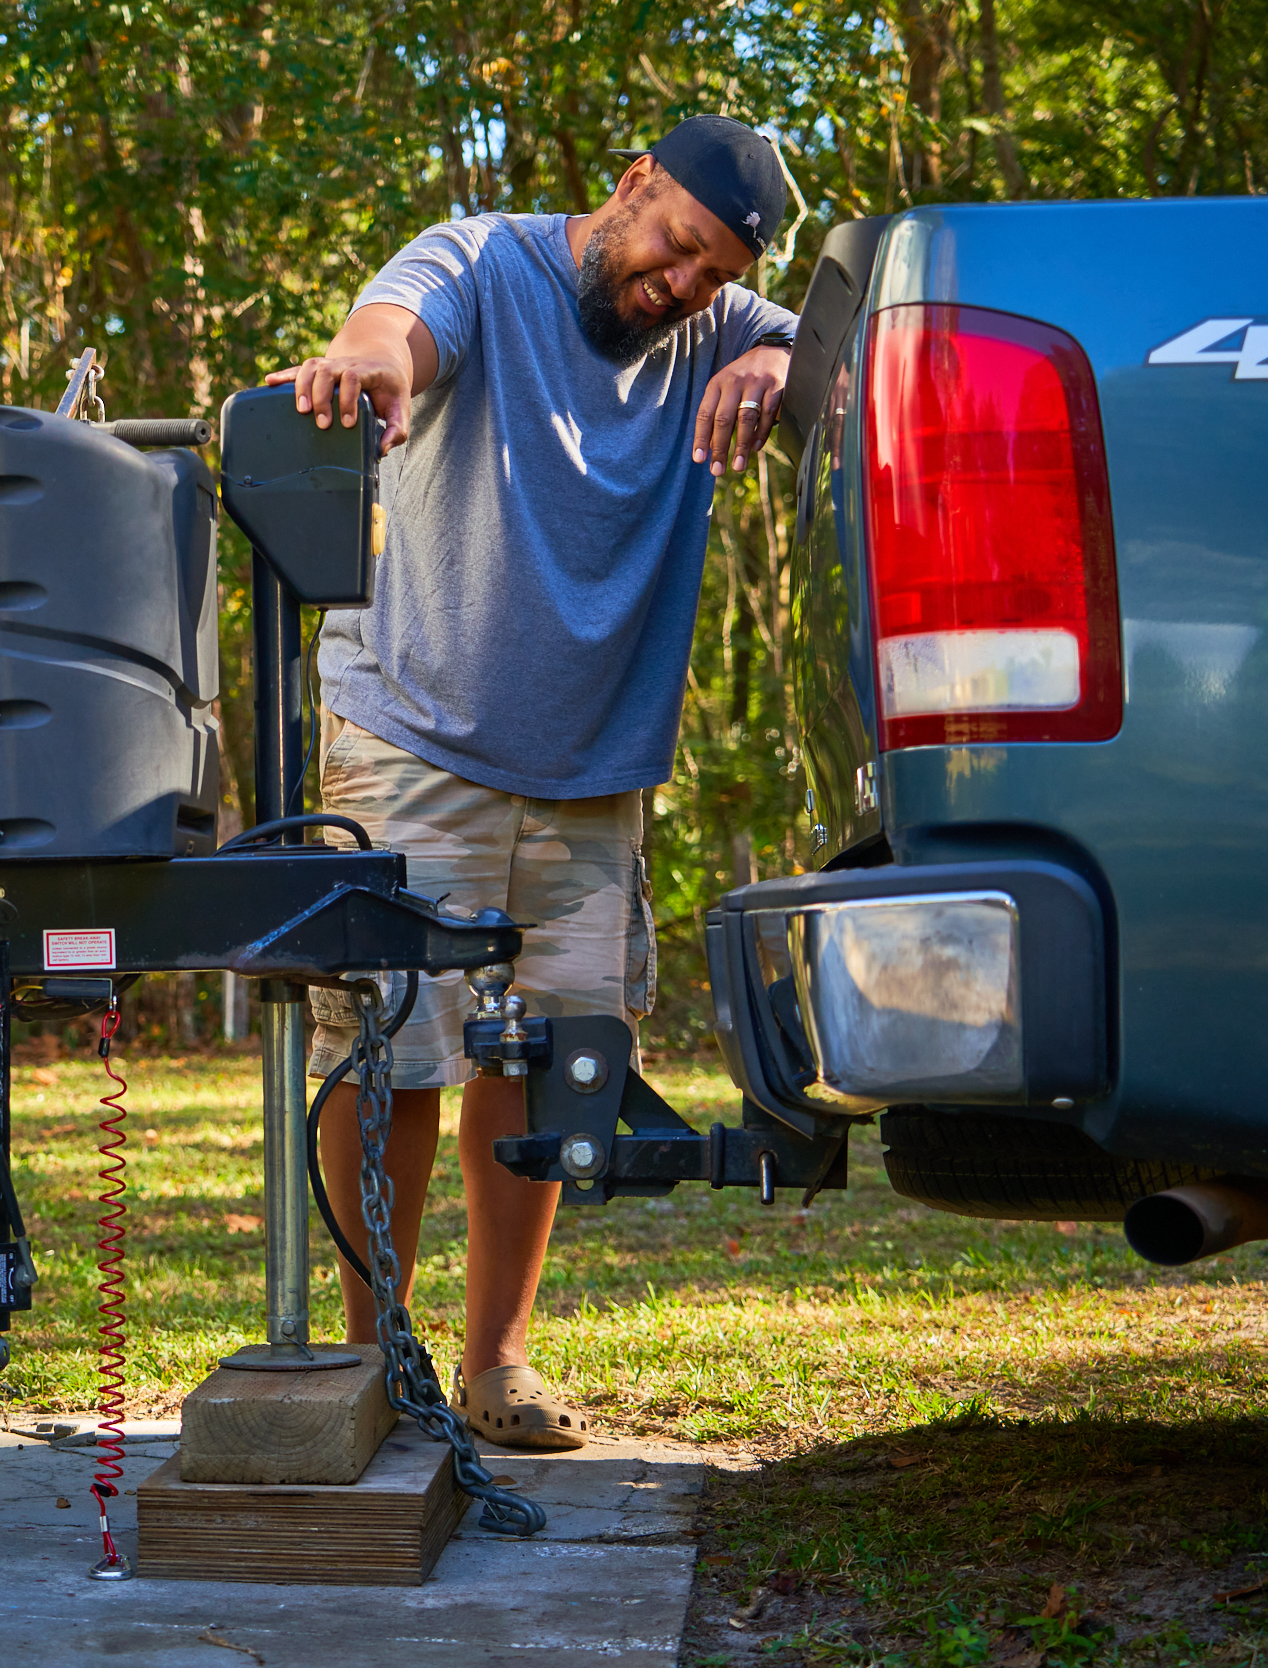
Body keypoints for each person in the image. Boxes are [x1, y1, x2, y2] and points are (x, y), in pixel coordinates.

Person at [269, 115, 798, 1451]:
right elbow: (398, 322)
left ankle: (499, 1363)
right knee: (388, 1052)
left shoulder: (720, 332)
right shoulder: (484, 261)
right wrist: (366, 363)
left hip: (591, 771)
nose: (680, 284)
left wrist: (782, 359)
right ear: (633, 185)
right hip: (416, 738)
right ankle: (371, 1353)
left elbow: (837, 342)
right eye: (676, 245)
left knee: (551, 1060)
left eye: (711, 275)